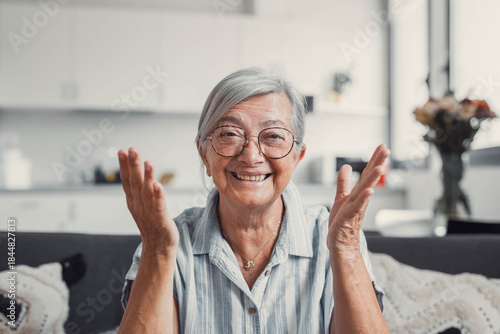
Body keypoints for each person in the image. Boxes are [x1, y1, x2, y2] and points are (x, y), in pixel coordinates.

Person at [117, 68, 390, 333]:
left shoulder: (335, 237)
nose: (251, 156)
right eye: (229, 134)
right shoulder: (165, 241)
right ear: (204, 154)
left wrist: (345, 248)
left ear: (296, 157)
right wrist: (157, 248)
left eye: (273, 136)